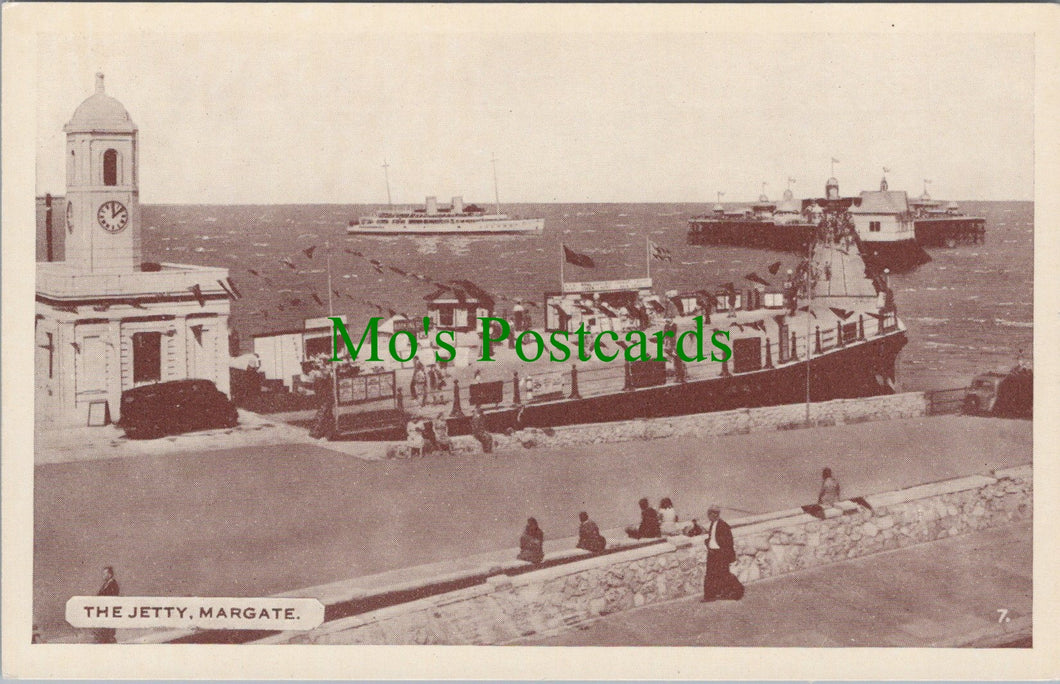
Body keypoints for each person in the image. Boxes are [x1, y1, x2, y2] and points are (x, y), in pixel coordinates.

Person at [701, 505, 743, 602]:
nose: (708, 516)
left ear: (715, 514)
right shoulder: (712, 524)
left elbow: (728, 542)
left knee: (724, 574)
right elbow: (713, 538)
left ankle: (738, 591)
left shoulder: (723, 526)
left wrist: (729, 557)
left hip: (720, 554)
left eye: (709, 514)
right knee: (710, 575)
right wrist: (708, 542)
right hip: (712, 553)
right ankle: (709, 596)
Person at [94, 566, 120, 643]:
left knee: (108, 633)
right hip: (103, 612)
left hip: (109, 612)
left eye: (105, 574)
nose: (103, 575)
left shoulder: (113, 584)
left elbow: (111, 598)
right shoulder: (105, 584)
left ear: (109, 574)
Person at [309, 369, 335, 440]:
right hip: (326, 398)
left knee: (326, 414)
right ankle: (319, 432)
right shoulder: (322, 381)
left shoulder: (319, 381)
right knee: (325, 414)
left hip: (324, 398)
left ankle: (325, 432)